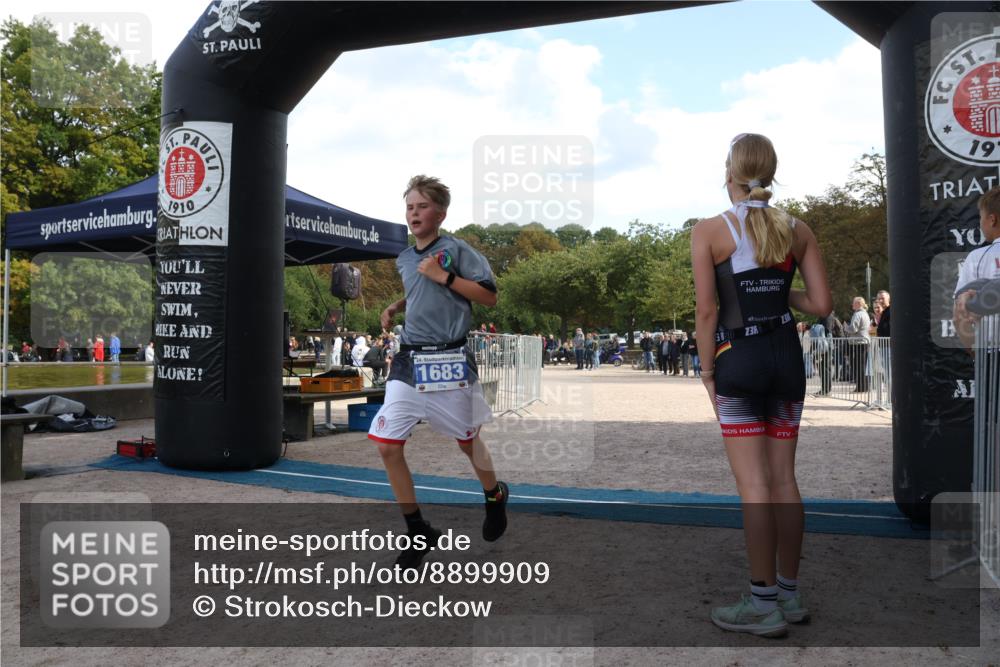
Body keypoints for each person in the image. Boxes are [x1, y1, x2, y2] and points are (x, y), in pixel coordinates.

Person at [691, 133, 832, 637]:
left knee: (753, 486)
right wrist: (779, 292)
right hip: (786, 358)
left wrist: (707, 372)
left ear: (729, 172)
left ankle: (761, 603)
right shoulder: (797, 229)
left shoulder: (710, 230)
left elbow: (707, 311)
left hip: (740, 359)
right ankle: (788, 595)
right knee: (784, 481)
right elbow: (821, 305)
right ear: (771, 172)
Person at [372, 174, 508, 569]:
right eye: (409, 207)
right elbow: (420, 291)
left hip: (449, 358)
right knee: (387, 445)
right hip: (409, 359)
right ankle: (418, 530)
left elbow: (489, 296)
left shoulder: (457, 250)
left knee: (468, 442)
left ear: (441, 214)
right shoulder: (404, 257)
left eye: (422, 206)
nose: (414, 213)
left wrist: (444, 275)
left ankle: (495, 495)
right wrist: (396, 306)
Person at [954, 186, 1000, 354]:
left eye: (980, 217)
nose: (980, 223)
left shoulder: (977, 257)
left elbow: (959, 313)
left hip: (991, 355)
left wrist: (975, 353)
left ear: (992, 220)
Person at [843, 296, 871, 392]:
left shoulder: (857, 314)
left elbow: (853, 329)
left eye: (854, 303)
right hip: (863, 342)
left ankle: (860, 387)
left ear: (858, 304)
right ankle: (863, 387)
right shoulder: (865, 313)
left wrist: (846, 327)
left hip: (858, 343)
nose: (852, 304)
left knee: (858, 366)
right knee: (862, 365)